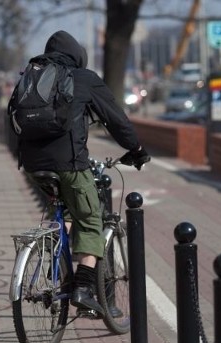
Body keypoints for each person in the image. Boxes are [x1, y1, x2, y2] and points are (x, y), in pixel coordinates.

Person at [12, 31, 150, 316]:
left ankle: (56, 266)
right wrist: (136, 148)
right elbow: (116, 120)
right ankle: (83, 289)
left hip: (34, 166)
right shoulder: (82, 78)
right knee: (91, 219)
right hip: (70, 165)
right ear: (78, 56)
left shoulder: (32, 77)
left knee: (68, 211)